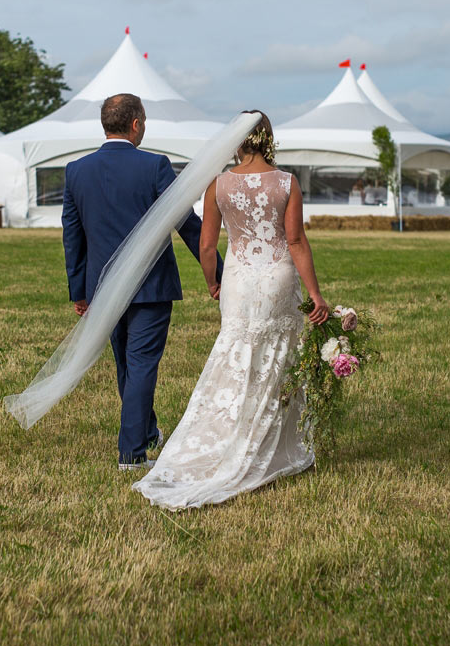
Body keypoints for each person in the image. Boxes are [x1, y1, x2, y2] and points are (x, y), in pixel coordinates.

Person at [133, 111, 330, 510]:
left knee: (234, 354)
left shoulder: (219, 184)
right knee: (278, 358)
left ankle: (224, 435)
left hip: (238, 279)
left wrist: (212, 281)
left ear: (236, 141)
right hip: (276, 277)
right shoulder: (287, 182)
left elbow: (207, 246)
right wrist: (316, 295)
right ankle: (277, 446)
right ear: (269, 139)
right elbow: (295, 241)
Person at [61, 93, 223, 470]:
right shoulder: (155, 166)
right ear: (136, 124)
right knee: (141, 366)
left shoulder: (76, 170)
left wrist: (79, 290)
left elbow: (73, 235)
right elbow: (186, 222)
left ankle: (147, 431)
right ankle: (132, 454)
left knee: (127, 366)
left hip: (101, 287)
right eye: (145, 122)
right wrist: (217, 272)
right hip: (151, 286)